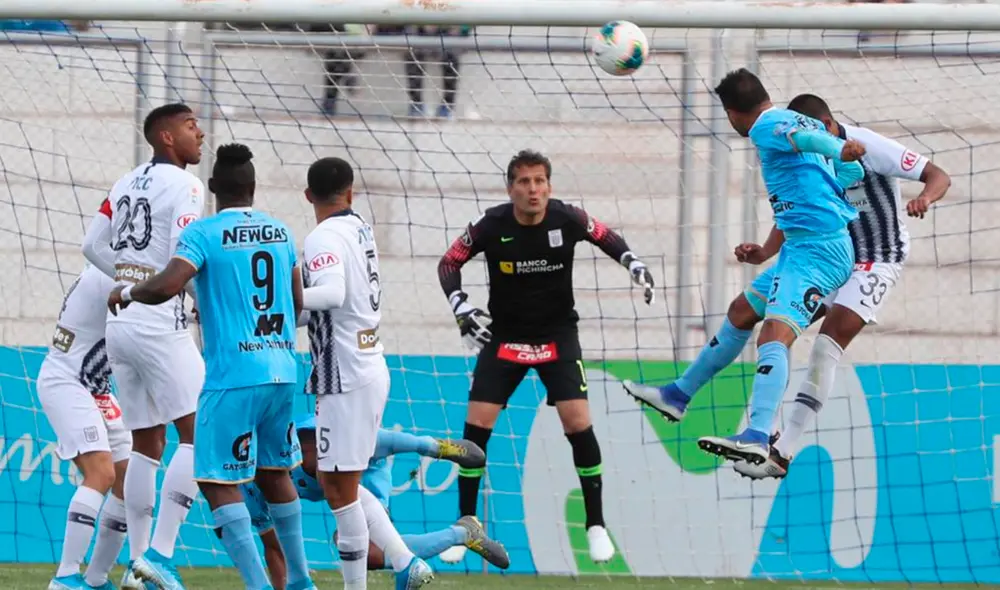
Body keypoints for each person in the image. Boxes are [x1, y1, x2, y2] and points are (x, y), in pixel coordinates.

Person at [625, 69, 866, 465]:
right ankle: (677, 395)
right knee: (741, 311)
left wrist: (838, 151)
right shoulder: (796, 119)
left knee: (774, 335)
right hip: (802, 248)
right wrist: (768, 249)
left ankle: (757, 434)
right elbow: (848, 175)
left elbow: (812, 144)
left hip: (818, 253)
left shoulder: (766, 127)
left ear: (732, 111)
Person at [108, 143, 314, 590]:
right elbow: (298, 303)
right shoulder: (281, 232)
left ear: (214, 188)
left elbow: (167, 285)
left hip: (234, 375)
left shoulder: (204, 233)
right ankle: (301, 581)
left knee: (215, 479)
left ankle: (257, 585)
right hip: (283, 369)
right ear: (254, 187)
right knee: (275, 473)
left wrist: (126, 293)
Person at [435, 149, 655, 564]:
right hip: (506, 337)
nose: (533, 189)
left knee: (578, 423)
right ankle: (466, 525)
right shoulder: (490, 224)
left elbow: (604, 235)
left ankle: (595, 524)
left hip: (557, 335)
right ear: (510, 188)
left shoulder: (566, 217)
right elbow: (449, 262)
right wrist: (461, 305)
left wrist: (632, 261)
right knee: (475, 430)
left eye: (539, 181)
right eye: (524, 182)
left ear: (549, 187)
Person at [731, 93, 951, 479]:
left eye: (814, 130)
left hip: (877, 261)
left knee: (825, 345)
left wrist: (924, 198)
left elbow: (939, 175)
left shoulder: (869, 147)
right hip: (833, 258)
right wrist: (766, 250)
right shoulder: (807, 149)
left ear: (829, 125)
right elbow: (798, 208)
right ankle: (759, 430)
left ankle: (783, 451)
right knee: (764, 322)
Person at [84, 103, 206, 589]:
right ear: (166, 137)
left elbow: (92, 246)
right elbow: (184, 258)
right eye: (191, 126)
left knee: (146, 444)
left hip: (121, 323)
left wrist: (127, 278)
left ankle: (137, 564)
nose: (201, 133)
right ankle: (161, 554)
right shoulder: (189, 186)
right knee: (204, 431)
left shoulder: (124, 181)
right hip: (159, 320)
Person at [300, 156, 433, 589]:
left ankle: (390, 570)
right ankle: (405, 562)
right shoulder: (360, 228)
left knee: (338, 491)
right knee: (342, 483)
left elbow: (332, 293)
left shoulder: (322, 237)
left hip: (345, 375)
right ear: (351, 192)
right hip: (368, 363)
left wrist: (286, 297)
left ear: (308, 196)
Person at [241, 417, 510, 590]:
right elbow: (275, 550)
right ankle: (462, 533)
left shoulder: (294, 444)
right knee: (368, 553)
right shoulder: (250, 491)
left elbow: (381, 441)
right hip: (339, 485)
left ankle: (436, 446)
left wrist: (429, 447)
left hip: (365, 466)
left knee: (343, 486)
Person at [41, 205, 132, 590]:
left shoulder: (116, 269)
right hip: (67, 382)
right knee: (102, 473)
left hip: (95, 388)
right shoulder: (108, 275)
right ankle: (64, 578)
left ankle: (96, 580)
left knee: (130, 480)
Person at [404, 26, 470, 119]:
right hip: (422, 30)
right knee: (413, 53)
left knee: (451, 56)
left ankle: (447, 106)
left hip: (449, 30)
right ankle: (416, 104)